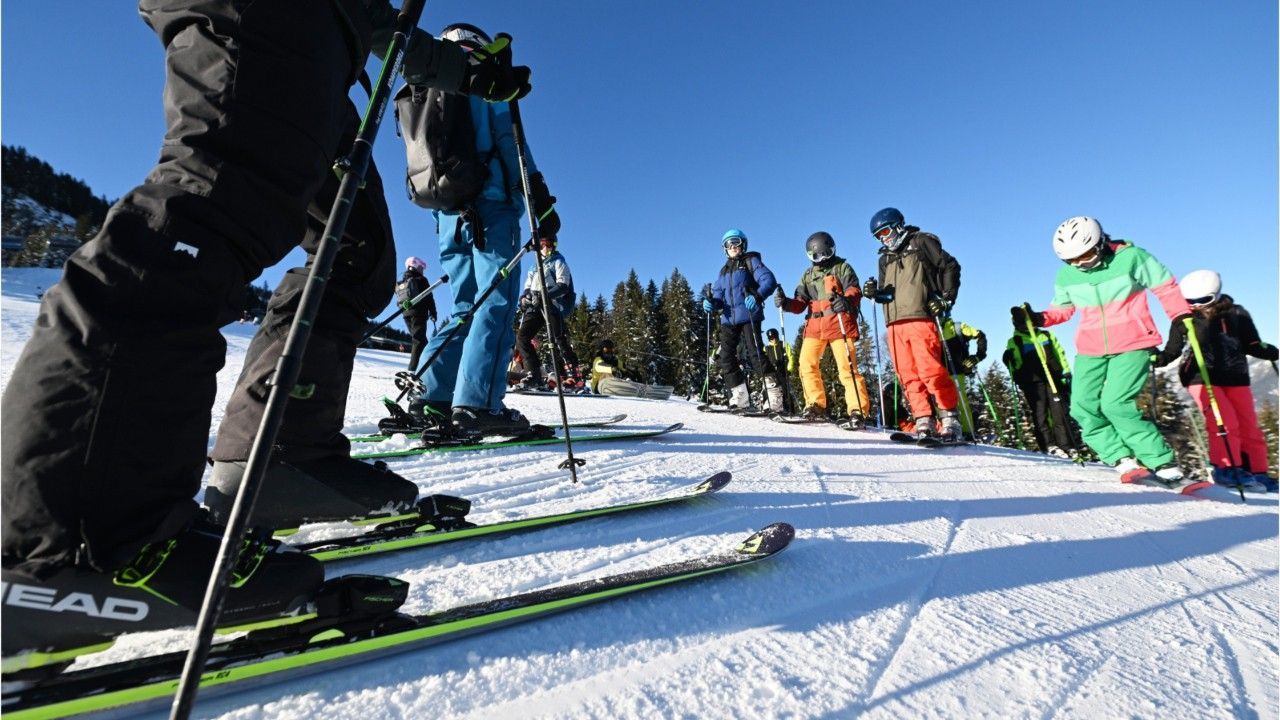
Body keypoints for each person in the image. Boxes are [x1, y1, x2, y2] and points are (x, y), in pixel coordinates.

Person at [1, 2, 531, 662]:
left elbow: (373, 17)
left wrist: (462, 73)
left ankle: (285, 458)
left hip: (325, 42)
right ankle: (86, 544)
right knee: (207, 213)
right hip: (270, 19)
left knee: (353, 259)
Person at [410, 24, 559, 437]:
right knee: (495, 303)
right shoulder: (485, 80)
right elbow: (510, 144)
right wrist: (538, 201)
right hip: (491, 208)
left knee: (463, 308)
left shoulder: (430, 83)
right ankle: (479, 405)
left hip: (447, 216)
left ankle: (434, 397)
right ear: (475, 46)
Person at [1014, 216, 1193, 484]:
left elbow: (1165, 287)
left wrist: (1180, 317)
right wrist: (1038, 318)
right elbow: (1063, 310)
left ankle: (1161, 461)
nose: (1079, 265)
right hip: (1090, 347)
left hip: (1133, 342)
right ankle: (1120, 457)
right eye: (1071, 260)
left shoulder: (1132, 257)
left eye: (1084, 256)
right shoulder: (1066, 275)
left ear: (1100, 243)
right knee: (1082, 406)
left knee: (1115, 403)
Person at [1155, 270, 1278, 492]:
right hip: (1201, 375)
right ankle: (1225, 469)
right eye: (1190, 301)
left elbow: (1251, 343)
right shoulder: (1185, 318)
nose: (1196, 305)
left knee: (1250, 426)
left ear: (1217, 295)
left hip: (1236, 375)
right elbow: (1172, 350)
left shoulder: (1238, 314)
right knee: (1224, 421)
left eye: (1203, 300)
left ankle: (1257, 472)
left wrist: (1267, 351)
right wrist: (1159, 358)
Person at [861, 208, 964, 440]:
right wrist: (875, 293)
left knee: (931, 370)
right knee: (907, 374)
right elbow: (888, 294)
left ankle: (949, 419)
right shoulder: (884, 258)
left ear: (897, 225)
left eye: (885, 231)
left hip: (920, 316)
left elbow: (950, 266)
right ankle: (923, 419)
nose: (883, 238)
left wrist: (946, 298)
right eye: (878, 236)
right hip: (894, 324)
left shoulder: (921, 242)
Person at [776, 231, 870, 427]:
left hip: (838, 323)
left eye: (825, 254)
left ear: (832, 250)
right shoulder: (808, 275)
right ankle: (815, 405)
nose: (821, 259)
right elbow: (800, 303)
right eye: (816, 256)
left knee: (847, 368)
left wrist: (847, 300)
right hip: (815, 326)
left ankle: (857, 410)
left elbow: (854, 290)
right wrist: (786, 303)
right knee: (806, 364)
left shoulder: (842, 267)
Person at [702, 229, 780, 412]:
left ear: (743, 244)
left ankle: (774, 397)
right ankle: (740, 397)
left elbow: (769, 280)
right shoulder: (723, 271)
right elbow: (719, 296)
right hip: (729, 319)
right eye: (728, 244)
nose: (732, 246)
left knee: (755, 355)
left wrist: (758, 296)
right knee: (726, 357)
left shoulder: (751, 262)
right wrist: (712, 302)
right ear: (724, 249)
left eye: (735, 242)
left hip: (749, 315)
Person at [1002, 320, 1078, 456]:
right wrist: (1012, 366)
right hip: (1032, 382)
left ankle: (1066, 445)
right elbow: (1016, 362)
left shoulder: (1046, 335)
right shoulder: (1016, 340)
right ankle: (1048, 445)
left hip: (1053, 378)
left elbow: (1059, 353)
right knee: (1040, 413)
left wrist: (1065, 371)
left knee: (1059, 412)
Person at [515, 237, 578, 389]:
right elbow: (527, 287)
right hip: (536, 306)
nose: (546, 248)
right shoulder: (533, 267)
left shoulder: (558, 261)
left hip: (553, 305)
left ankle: (574, 377)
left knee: (558, 338)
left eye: (550, 244)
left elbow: (563, 285)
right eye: (543, 245)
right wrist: (524, 298)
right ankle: (534, 374)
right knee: (522, 337)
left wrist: (544, 295)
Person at [938, 316, 987, 439]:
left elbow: (980, 336)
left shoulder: (957, 327)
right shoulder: (931, 328)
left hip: (957, 371)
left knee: (959, 401)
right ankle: (944, 430)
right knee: (939, 402)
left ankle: (967, 431)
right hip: (937, 373)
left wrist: (977, 356)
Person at [398, 256, 438, 371]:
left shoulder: (402, 281)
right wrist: (433, 313)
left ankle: (425, 368)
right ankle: (412, 370)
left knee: (422, 341)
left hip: (406, 314)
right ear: (415, 266)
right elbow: (429, 297)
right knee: (419, 341)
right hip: (418, 313)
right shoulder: (421, 280)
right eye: (421, 267)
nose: (423, 270)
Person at [762, 328, 797, 415]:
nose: (773, 339)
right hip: (772, 373)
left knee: (785, 390)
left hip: (783, 371)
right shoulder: (766, 348)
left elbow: (791, 357)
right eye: (771, 338)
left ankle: (789, 409)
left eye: (774, 337)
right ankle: (769, 406)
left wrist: (789, 369)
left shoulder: (783, 345)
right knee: (770, 390)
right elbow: (764, 360)